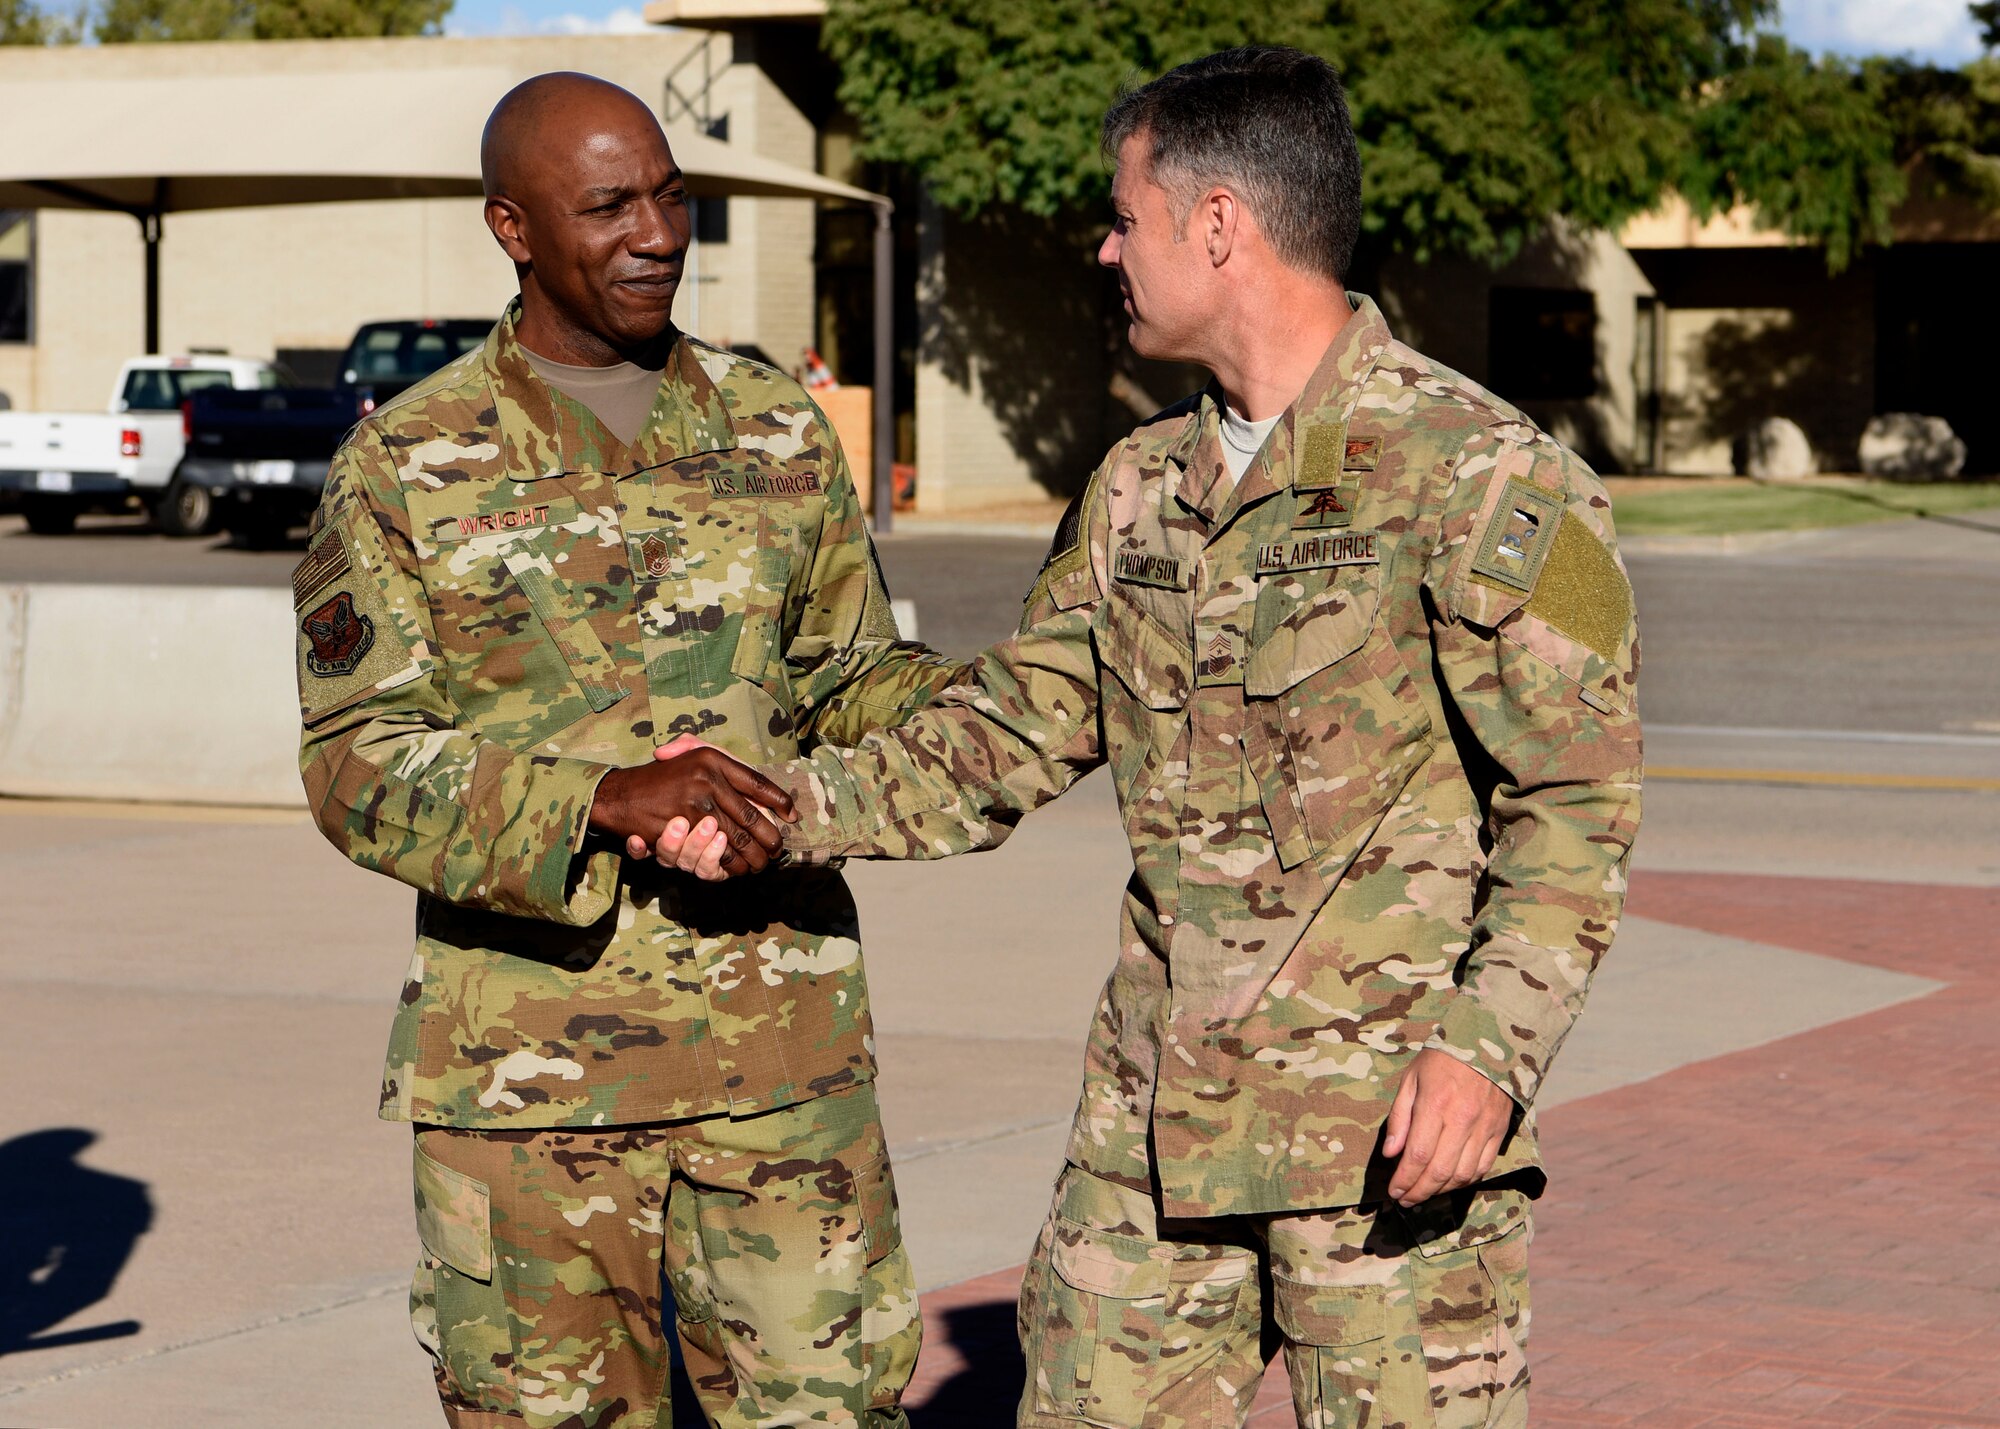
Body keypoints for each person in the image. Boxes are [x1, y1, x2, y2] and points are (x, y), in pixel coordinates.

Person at [684, 44, 1642, 1428]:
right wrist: (781, 808)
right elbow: (1013, 727)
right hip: (1152, 1139)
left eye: (1124, 215)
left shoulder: (1483, 473)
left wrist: (1486, 1053)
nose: (1104, 246)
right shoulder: (1138, 489)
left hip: (1382, 1149)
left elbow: (1577, 803)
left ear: (1218, 226)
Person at [294, 72, 959, 1429]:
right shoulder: (410, 464)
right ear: (513, 226)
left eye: (672, 195)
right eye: (607, 205)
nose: (657, 231)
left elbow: (852, 677)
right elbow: (357, 761)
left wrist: (1020, 691)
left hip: (780, 1069)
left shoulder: (775, 430)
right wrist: (597, 800)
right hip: (529, 1092)